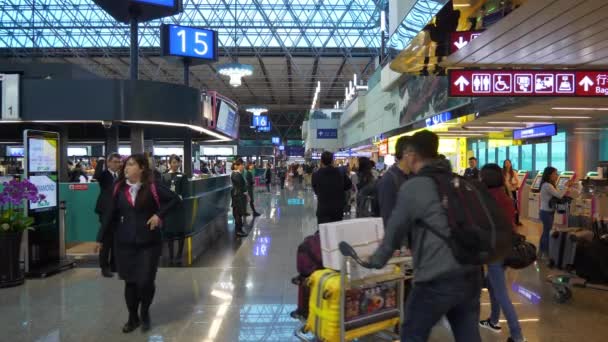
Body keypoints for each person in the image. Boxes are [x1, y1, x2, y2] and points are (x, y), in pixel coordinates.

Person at [368, 130, 482, 342]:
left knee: (412, 333)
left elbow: (394, 232)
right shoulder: (458, 181)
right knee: (468, 335)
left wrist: (375, 261)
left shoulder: (415, 187)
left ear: (411, 154)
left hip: (436, 276)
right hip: (471, 273)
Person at [96, 154, 180, 333]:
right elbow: (109, 215)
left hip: (149, 242)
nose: (126, 168)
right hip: (124, 243)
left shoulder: (152, 187)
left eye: (131, 165)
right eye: (125, 165)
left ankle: (145, 311)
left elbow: (175, 200)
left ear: (142, 168)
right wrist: (100, 239)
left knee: (146, 281)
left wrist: (159, 215)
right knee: (131, 282)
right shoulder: (118, 188)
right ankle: (132, 317)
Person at [479, 164, 527, 342]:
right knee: (492, 285)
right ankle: (493, 320)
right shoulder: (505, 195)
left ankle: (517, 335)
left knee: (500, 292)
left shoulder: (486, 198)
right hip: (506, 248)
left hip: (494, 251)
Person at [94, 153, 122, 278]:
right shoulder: (104, 175)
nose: (117, 164)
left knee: (117, 239)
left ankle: (115, 265)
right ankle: (104, 267)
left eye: (118, 162)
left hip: (117, 210)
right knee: (106, 240)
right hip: (105, 209)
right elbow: (96, 176)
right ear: (109, 163)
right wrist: (100, 162)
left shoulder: (121, 175)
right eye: (114, 162)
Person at [538, 166, 574, 259]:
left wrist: (566, 186)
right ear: (550, 175)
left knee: (546, 231)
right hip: (546, 212)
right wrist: (566, 186)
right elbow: (559, 195)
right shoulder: (547, 185)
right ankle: (545, 253)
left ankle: (541, 251)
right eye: (555, 174)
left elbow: (557, 192)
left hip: (546, 211)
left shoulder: (548, 184)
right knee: (547, 232)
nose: (556, 175)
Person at [377, 136, 411, 226]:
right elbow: (387, 217)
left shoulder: (413, 176)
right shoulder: (389, 180)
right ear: (406, 153)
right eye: (414, 153)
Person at [161, 155, 189, 265]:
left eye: (177, 162)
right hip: (168, 208)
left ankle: (179, 254)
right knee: (169, 233)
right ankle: (171, 255)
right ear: (169, 163)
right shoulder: (165, 176)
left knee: (180, 231)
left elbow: (185, 192)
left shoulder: (183, 176)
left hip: (179, 207)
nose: (175, 164)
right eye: (173, 162)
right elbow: (162, 191)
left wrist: (180, 197)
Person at [312, 151, 353, 224]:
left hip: (323, 210)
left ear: (321, 161)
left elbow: (316, 191)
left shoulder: (316, 175)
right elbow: (348, 185)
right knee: (336, 233)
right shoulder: (340, 173)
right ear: (332, 161)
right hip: (337, 210)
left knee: (324, 233)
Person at [231, 159, 248, 237]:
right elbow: (240, 185)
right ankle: (239, 230)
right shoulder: (236, 174)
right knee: (238, 213)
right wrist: (245, 191)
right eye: (242, 165)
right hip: (237, 196)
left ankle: (239, 229)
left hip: (238, 195)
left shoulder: (237, 174)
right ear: (237, 166)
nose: (243, 167)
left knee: (238, 212)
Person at [503, 159, 522, 226]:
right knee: (505, 206)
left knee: (514, 205)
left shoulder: (513, 172)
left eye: (508, 163)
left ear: (511, 164)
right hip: (505, 191)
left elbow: (518, 182)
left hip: (512, 191)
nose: (507, 164)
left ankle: (516, 221)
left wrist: (513, 184)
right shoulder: (502, 172)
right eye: (506, 163)